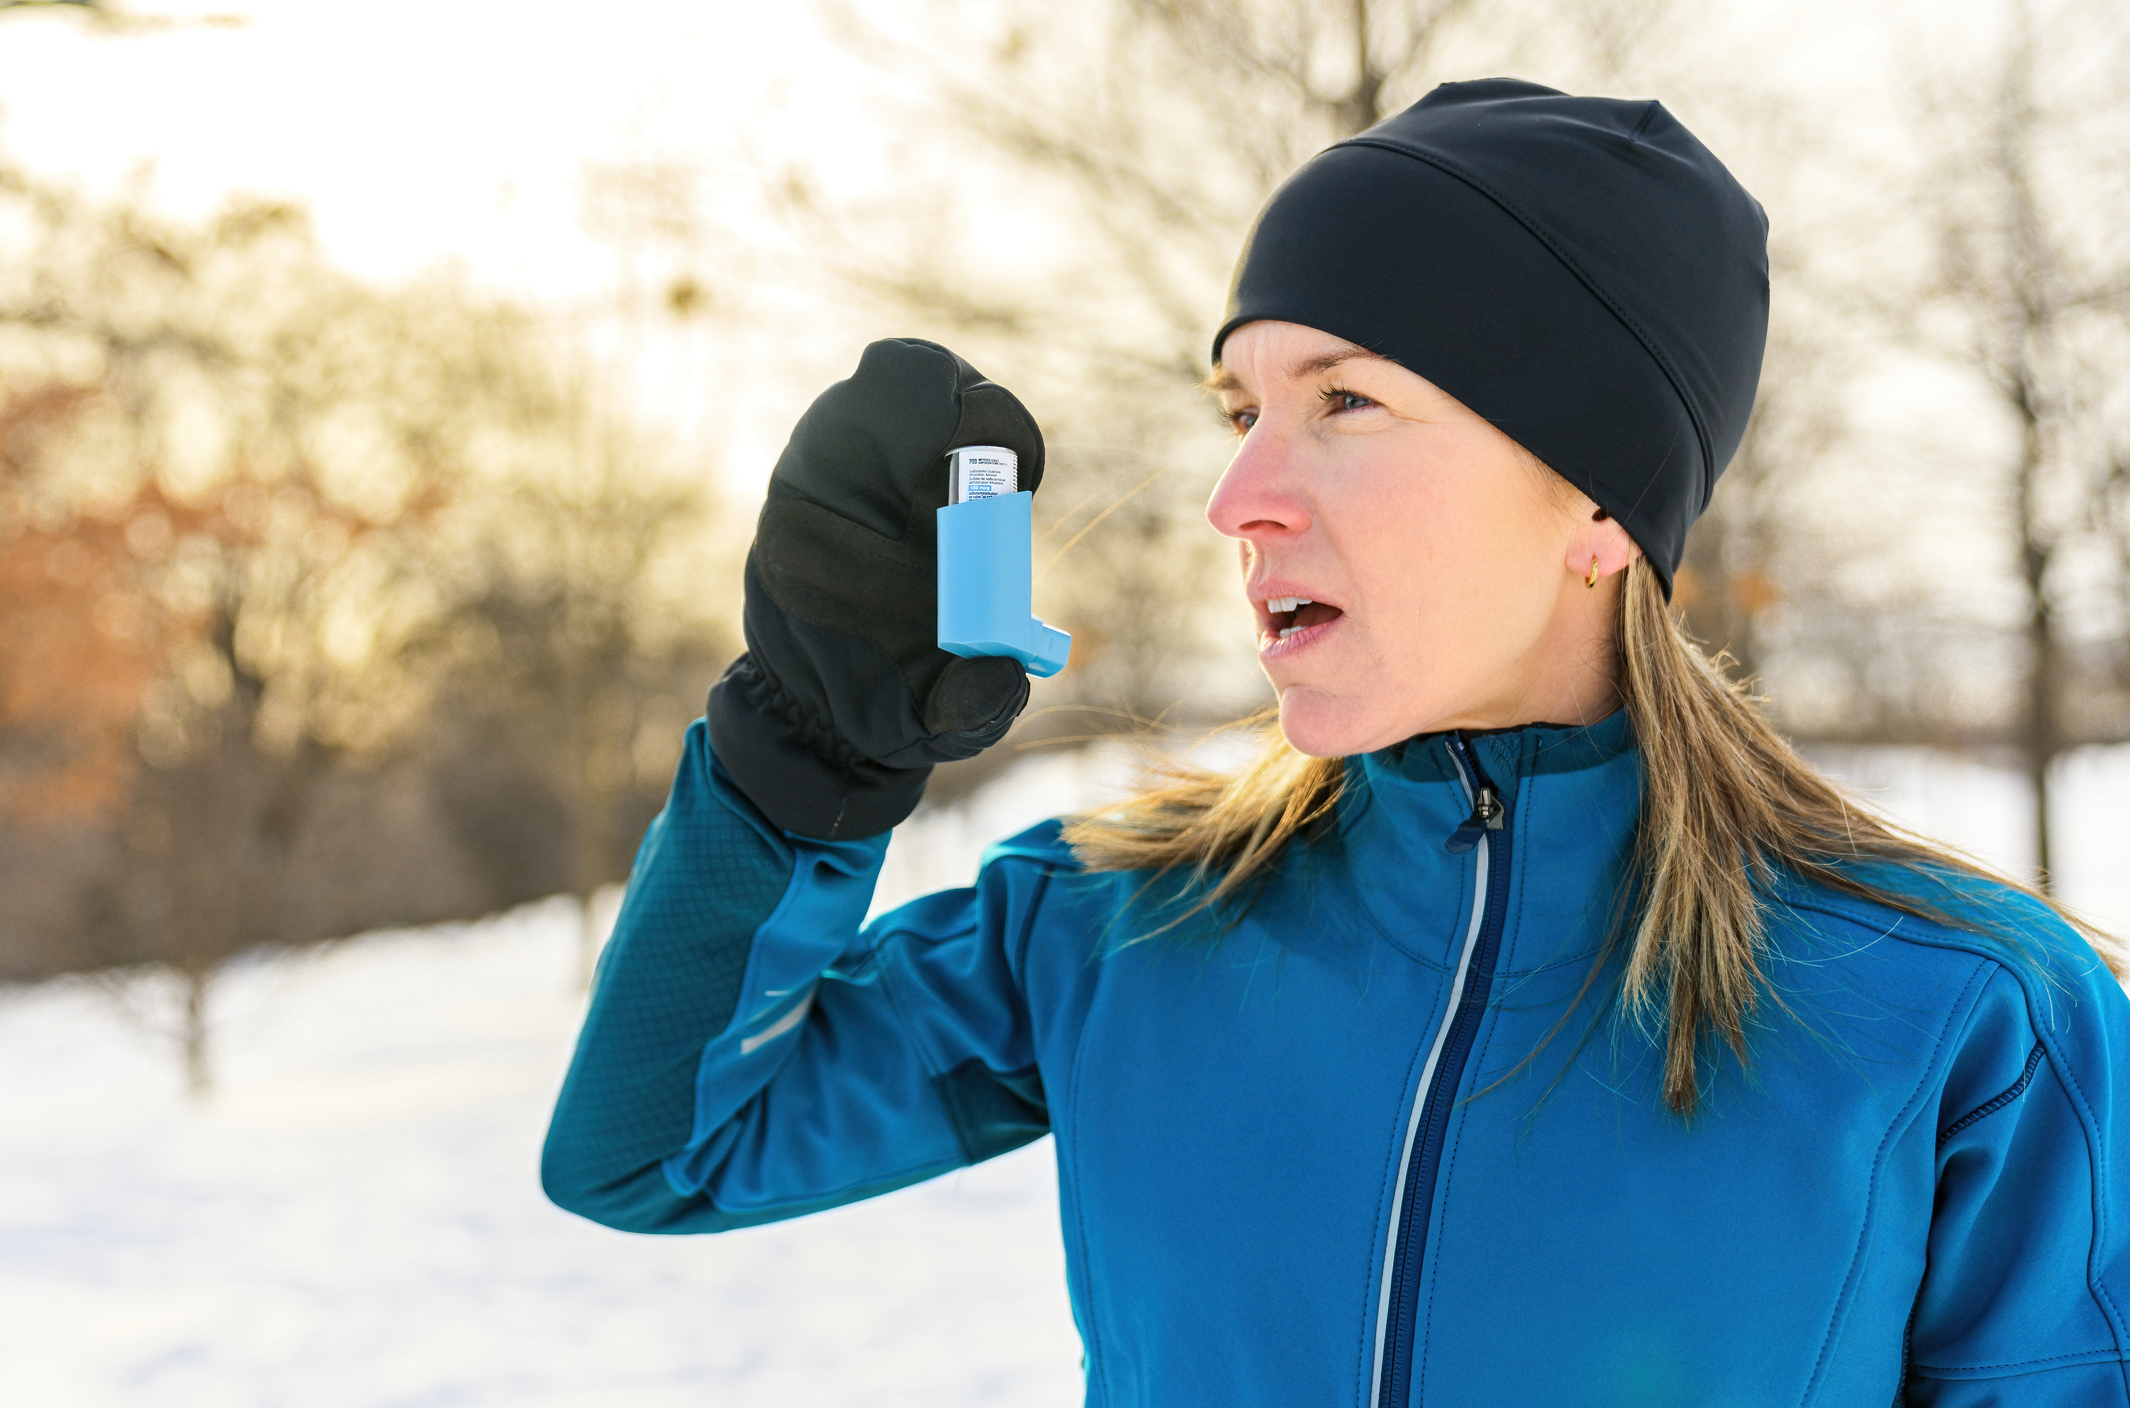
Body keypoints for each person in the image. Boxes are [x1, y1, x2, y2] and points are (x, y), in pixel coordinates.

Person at [541, 79, 2130, 1406]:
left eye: (1344, 402)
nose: (1239, 499)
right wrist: (801, 768)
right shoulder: (1117, 920)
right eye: (1240, 412)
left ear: (1594, 498)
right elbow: (659, 1150)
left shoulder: (1963, 1017)